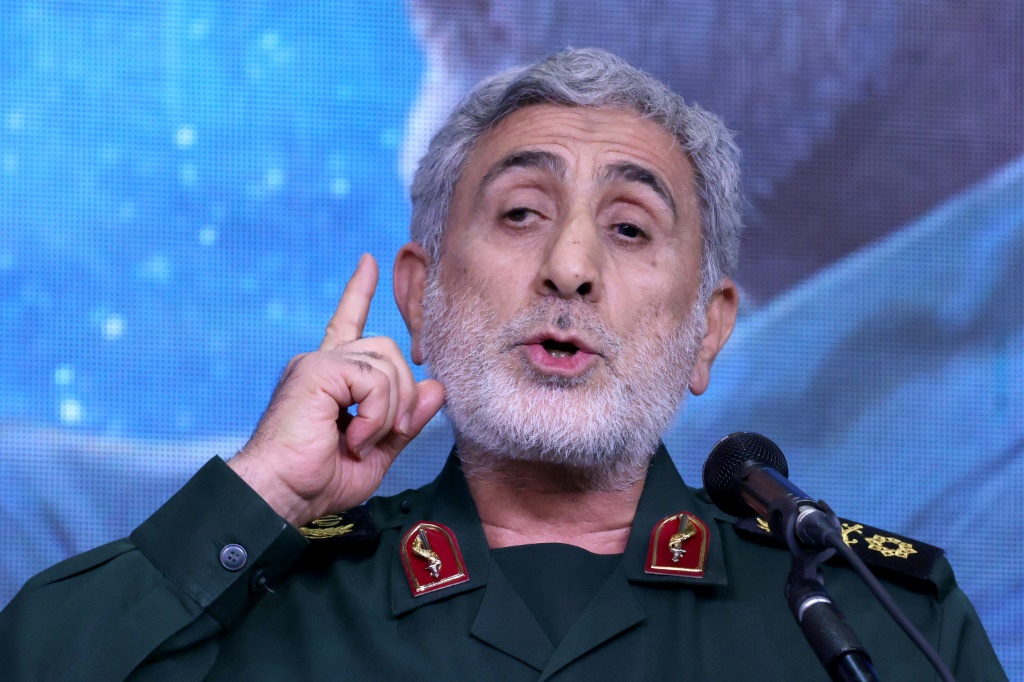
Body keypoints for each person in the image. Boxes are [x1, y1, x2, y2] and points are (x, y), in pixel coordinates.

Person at [0, 48, 1006, 680]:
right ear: (420, 298)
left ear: (707, 330)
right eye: (520, 213)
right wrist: (261, 494)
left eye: (629, 226)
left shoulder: (870, 620)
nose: (569, 267)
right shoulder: (258, 599)